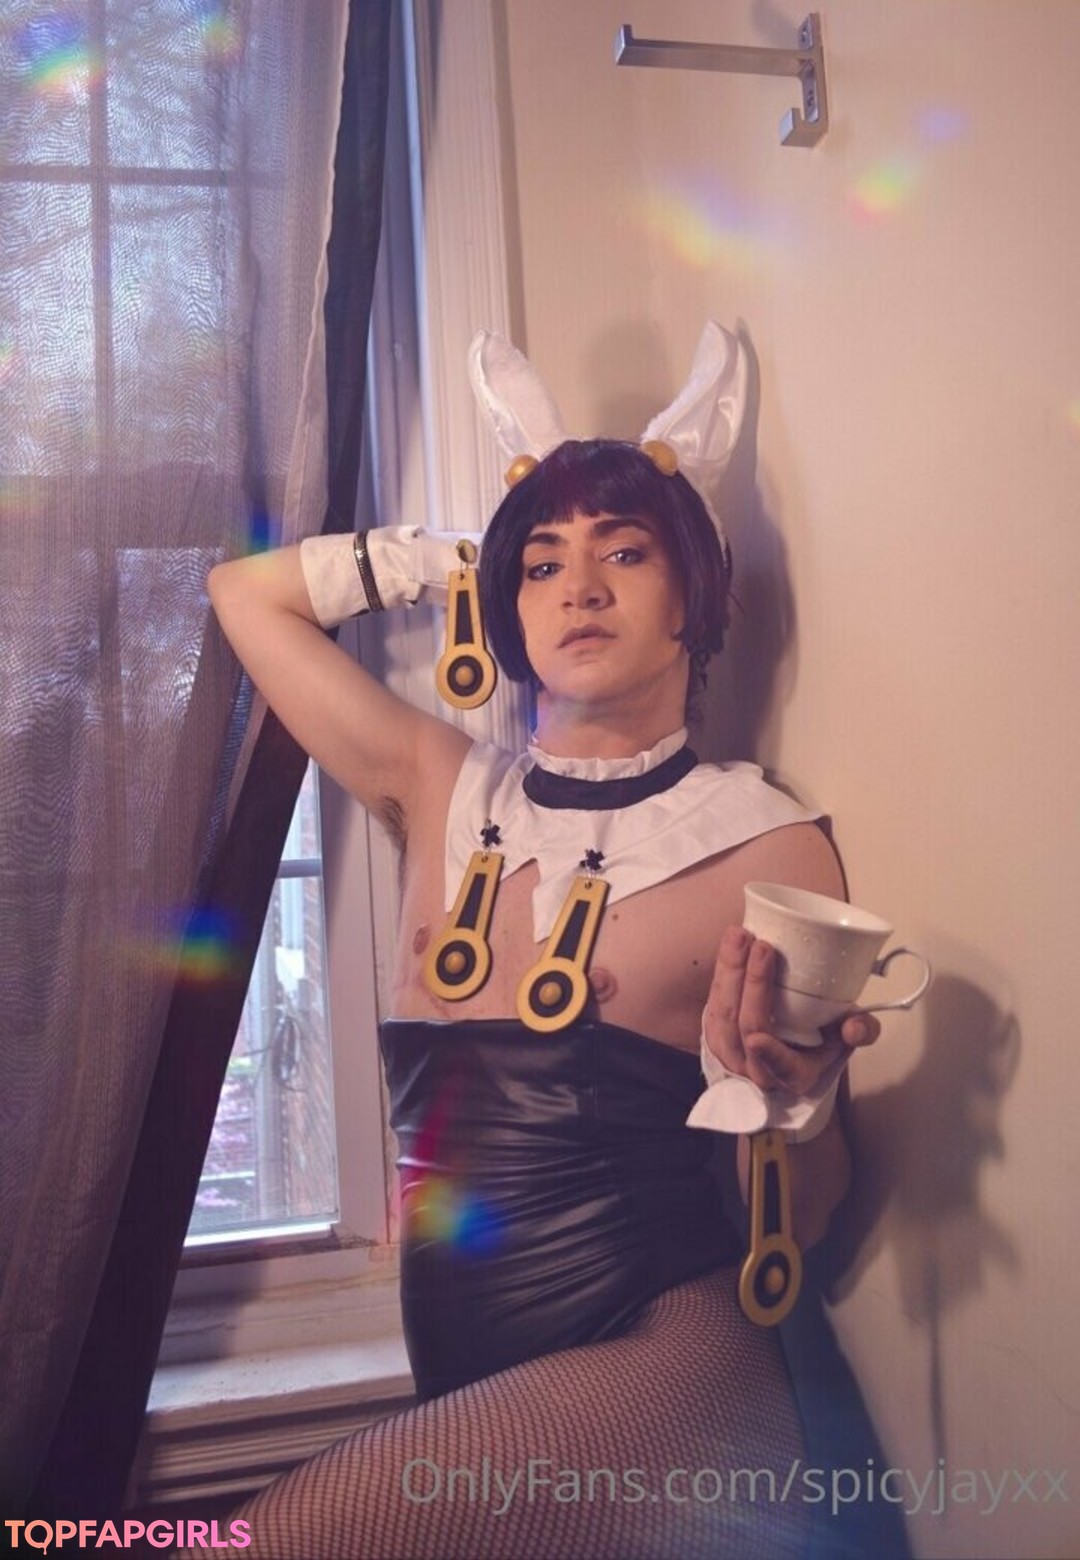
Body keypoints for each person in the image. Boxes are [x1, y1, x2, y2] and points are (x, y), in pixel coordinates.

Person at [195, 326, 881, 1559]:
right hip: (467, 1372)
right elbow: (243, 595)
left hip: (670, 1352)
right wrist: (441, 561)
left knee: (264, 1543)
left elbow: (810, 1223)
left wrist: (798, 1103)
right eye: (543, 563)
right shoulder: (438, 786)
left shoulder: (766, 844)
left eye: (626, 551)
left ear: (695, 594)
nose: (581, 588)